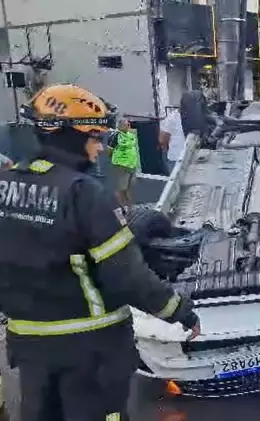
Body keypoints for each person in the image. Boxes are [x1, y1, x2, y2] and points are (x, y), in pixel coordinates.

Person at [0, 84, 201, 421]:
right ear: (70, 136)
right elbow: (125, 274)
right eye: (95, 137)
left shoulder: (4, 188)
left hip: (30, 348)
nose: (100, 148)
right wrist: (179, 311)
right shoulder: (84, 194)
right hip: (91, 351)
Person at [107, 119, 140, 209]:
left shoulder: (131, 135)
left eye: (128, 125)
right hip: (121, 166)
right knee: (121, 189)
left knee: (129, 189)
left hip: (132, 165)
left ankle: (130, 208)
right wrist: (117, 160)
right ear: (120, 126)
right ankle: (118, 208)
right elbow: (109, 150)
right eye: (126, 125)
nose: (128, 127)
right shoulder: (115, 136)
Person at [159, 108, 185, 175]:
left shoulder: (173, 116)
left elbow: (162, 138)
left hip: (175, 156)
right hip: (188, 155)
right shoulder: (196, 116)